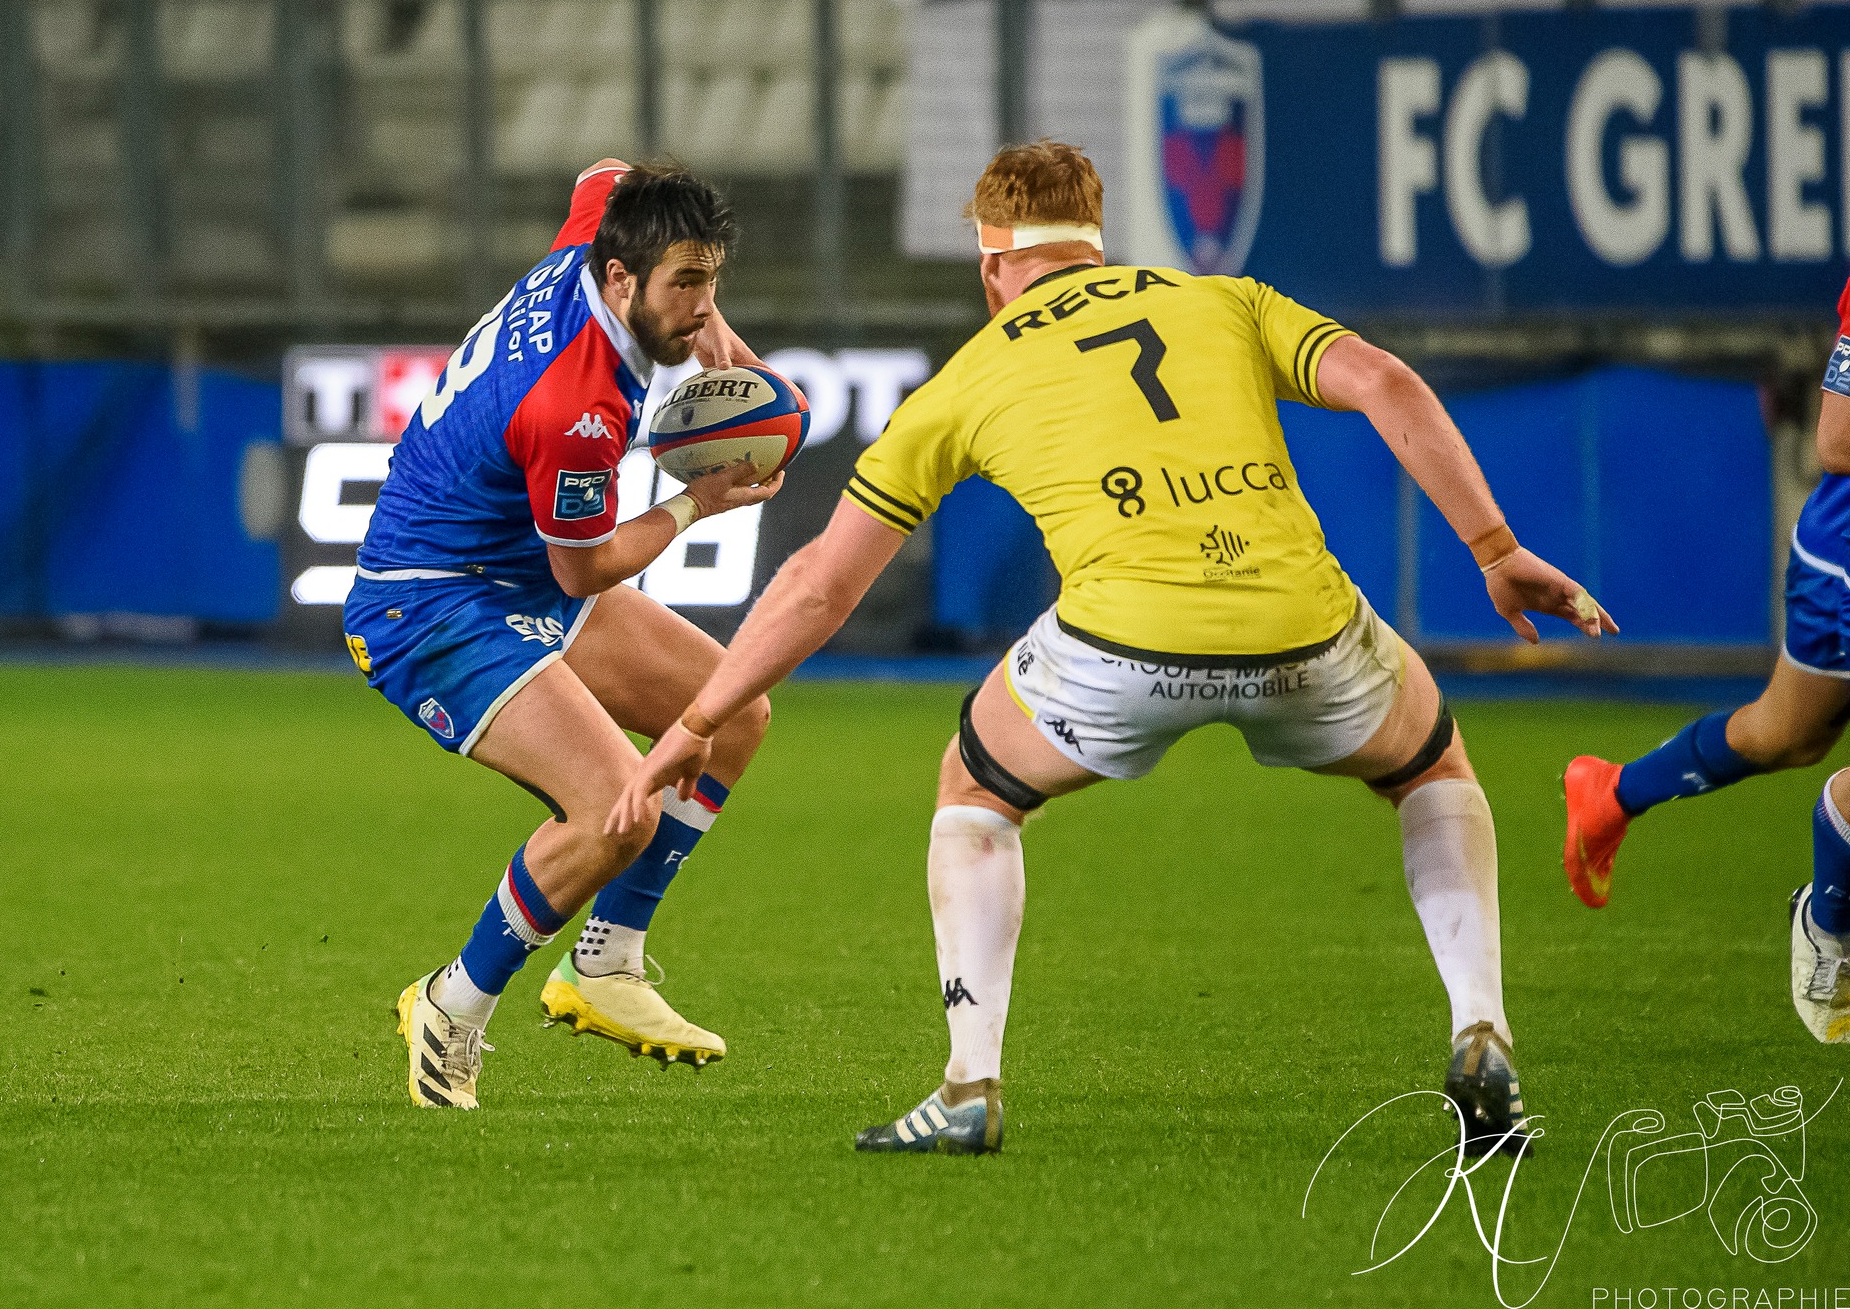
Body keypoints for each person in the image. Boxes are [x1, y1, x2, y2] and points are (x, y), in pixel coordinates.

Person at [608, 140, 1613, 1154]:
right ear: (1094, 244)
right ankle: (1479, 1028)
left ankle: (969, 1085)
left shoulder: (967, 378)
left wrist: (698, 719)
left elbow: (820, 585)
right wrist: (1494, 548)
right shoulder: (1223, 300)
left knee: (973, 789)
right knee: (1431, 765)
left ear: (992, 264)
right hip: (1300, 623)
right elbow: (1387, 383)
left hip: (1121, 645)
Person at [344, 160, 782, 1109]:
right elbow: (584, 568)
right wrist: (697, 503)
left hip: (506, 561)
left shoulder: (605, 226)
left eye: (711, 280)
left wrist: (718, 336)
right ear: (621, 279)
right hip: (427, 601)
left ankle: (605, 962)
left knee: (735, 711)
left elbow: (605, 171)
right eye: (686, 287)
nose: (700, 308)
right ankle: (449, 1008)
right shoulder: (578, 403)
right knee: (611, 807)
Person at [1562, 279, 1850, 1044]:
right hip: (1846, 561)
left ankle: (1612, 791)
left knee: (1784, 733)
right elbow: (1837, 439)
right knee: (1797, 741)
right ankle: (1829, 921)